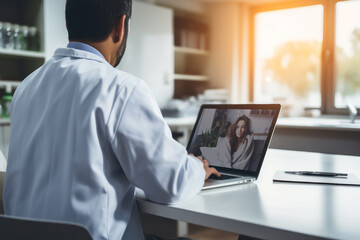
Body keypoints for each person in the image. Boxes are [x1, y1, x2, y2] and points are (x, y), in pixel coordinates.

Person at [3, 0, 219, 239]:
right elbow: (171, 183)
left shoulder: (26, 87)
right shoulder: (123, 89)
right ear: (121, 26)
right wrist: (198, 167)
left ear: (68, 24)